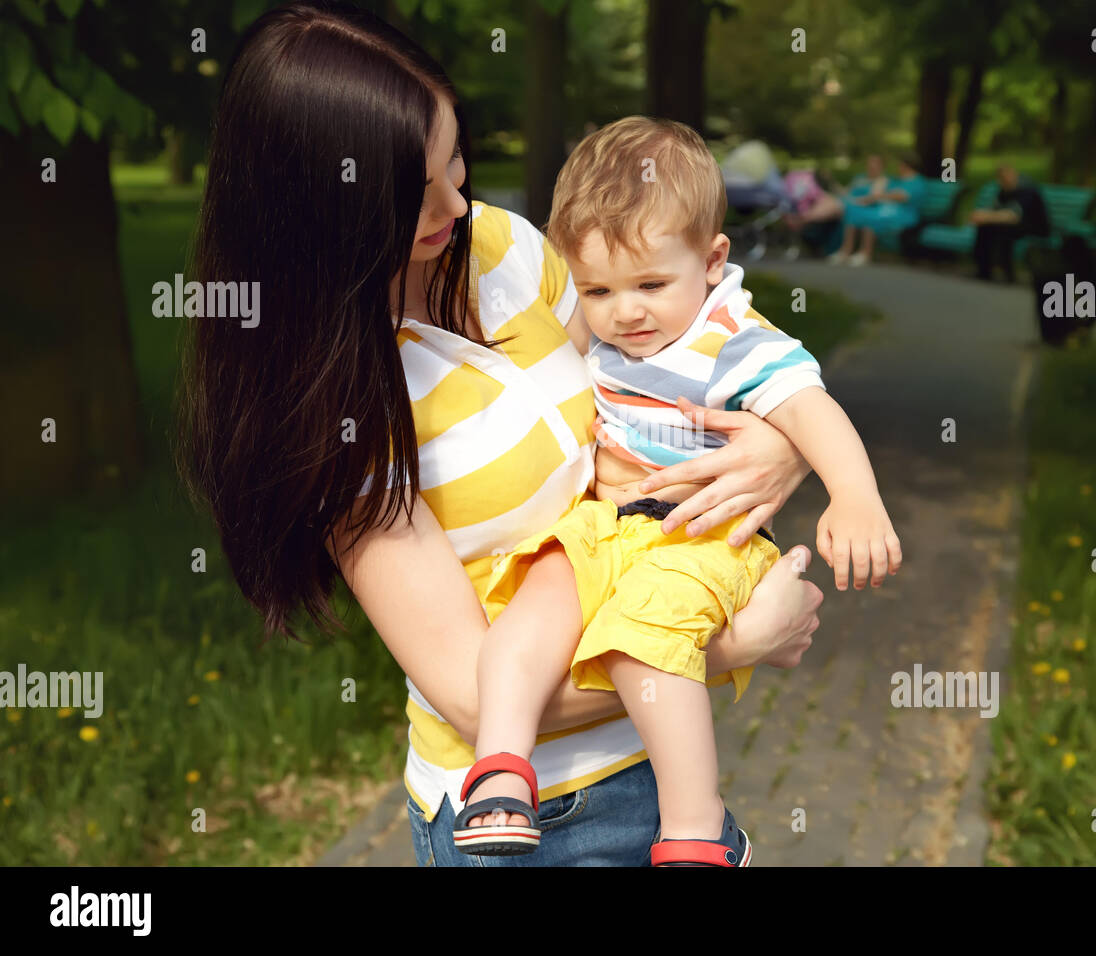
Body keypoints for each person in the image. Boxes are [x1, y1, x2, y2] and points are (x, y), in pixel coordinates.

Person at [177, 0, 823, 868]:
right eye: (417, 191)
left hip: (656, 762)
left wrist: (782, 441)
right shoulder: (335, 413)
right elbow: (473, 695)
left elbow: (664, 361)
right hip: (539, 819)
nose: (456, 202)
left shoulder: (499, 247)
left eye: (456, 162)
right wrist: (730, 645)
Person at [456, 116, 902, 866]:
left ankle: (698, 826)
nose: (625, 312)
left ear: (712, 257)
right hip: (614, 525)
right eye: (597, 289)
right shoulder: (614, 328)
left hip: (703, 535)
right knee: (534, 599)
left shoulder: (732, 337)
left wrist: (853, 496)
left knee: (644, 639)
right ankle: (501, 771)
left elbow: (811, 410)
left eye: (651, 285)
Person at [829, 153, 926, 266]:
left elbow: (901, 196)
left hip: (904, 216)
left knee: (871, 218)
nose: (898, 167)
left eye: (900, 165)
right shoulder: (898, 180)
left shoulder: (917, 182)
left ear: (905, 166)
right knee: (854, 212)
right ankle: (845, 251)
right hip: (887, 211)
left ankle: (865, 254)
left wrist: (879, 196)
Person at [970, 163, 1050, 282]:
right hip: (1017, 226)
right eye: (1001, 179)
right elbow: (998, 210)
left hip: (1036, 227)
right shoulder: (1004, 190)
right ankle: (984, 271)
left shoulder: (1027, 190)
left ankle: (1008, 273)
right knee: (985, 228)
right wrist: (985, 217)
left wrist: (986, 216)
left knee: (1004, 230)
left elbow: (1013, 216)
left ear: (1014, 175)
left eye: (1007, 177)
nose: (1004, 181)